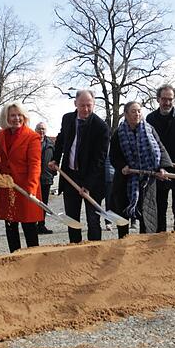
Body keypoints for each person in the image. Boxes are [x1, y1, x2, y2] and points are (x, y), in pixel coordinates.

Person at [48, 89, 110, 243]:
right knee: (72, 219)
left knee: (93, 220)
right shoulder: (68, 119)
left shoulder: (101, 127)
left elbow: (99, 159)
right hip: (70, 176)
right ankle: (75, 248)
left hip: (92, 179)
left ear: (94, 104)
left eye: (89, 105)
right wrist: (55, 159)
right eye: (82, 105)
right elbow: (62, 140)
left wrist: (87, 184)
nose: (86, 109)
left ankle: (94, 250)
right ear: (75, 103)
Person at [109, 101, 172, 238]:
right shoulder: (119, 133)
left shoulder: (150, 130)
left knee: (147, 214)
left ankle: (146, 243)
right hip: (126, 179)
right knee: (123, 213)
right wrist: (122, 166)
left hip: (147, 179)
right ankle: (123, 241)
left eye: (139, 111)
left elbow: (160, 148)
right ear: (125, 114)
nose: (137, 114)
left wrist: (162, 167)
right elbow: (113, 155)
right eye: (133, 111)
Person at [0, 103, 43, 252]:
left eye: (19, 115)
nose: (16, 118)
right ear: (6, 117)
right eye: (13, 115)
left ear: (24, 116)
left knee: (29, 226)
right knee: (10, 225)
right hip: (7, 187)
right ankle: (14, 257)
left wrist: (31, 189)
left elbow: (35, 165)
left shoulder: (32, 137)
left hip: (25, 188)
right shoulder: (2, 134)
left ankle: (33, 258)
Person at [146, 84, 175, 232]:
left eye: (170, 99)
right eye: (164, 99)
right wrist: (158, 165)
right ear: (158, 99)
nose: (167, 103)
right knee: (160, 205)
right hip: (160, 170)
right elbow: (149, 145)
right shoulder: (150, 118)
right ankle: (160, 236)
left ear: (174, 100)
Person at [35, 121, 54, 234]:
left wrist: (53, 173)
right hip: (34, 179)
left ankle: (41, 225)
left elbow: (54, 158)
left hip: (46, 178)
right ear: (35, 130)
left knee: (44, 204)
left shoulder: (50, 144)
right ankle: (32, 225)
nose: (41, 131)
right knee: (34, 203)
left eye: (43, 129)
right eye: (39, 128)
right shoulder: (32, 142)